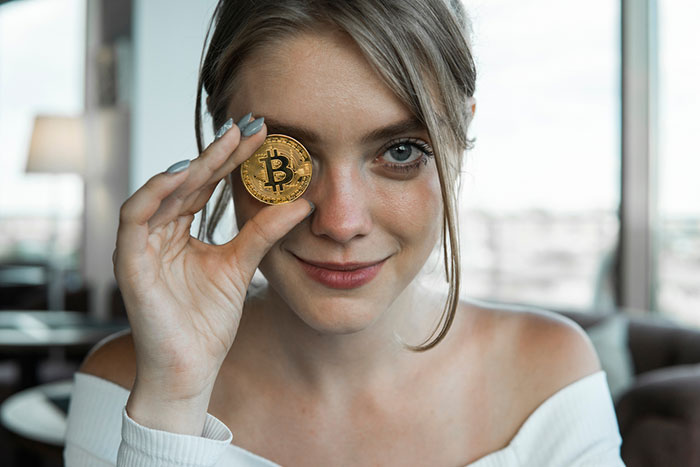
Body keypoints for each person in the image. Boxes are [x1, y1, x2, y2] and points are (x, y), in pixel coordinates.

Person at [64, 0, 625, 466]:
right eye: (286, 158)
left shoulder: (550, 379)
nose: (340, 222)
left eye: (400, 151)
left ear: (459, 140)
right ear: (224, 149)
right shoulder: (130, 386)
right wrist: (171, 405)